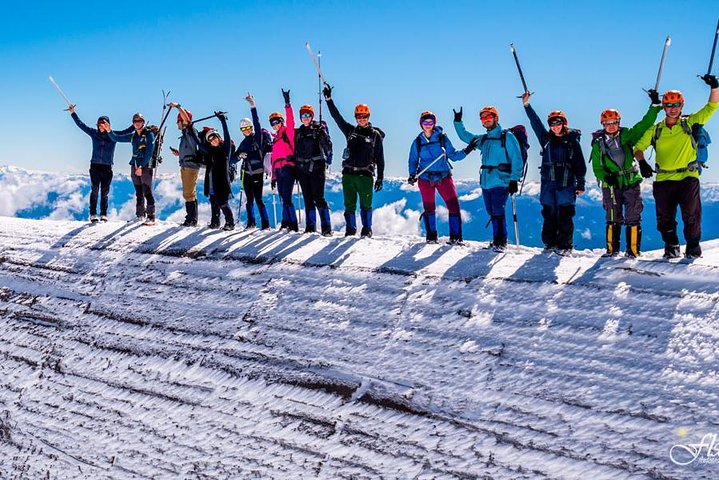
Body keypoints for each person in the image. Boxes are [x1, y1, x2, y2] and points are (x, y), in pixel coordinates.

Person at [633, 74, 719, 259]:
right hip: (663, 179)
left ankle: (693, 248)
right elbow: (638, 148)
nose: (673, 109)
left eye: (676, 105)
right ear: (664, 107)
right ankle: (671, 245)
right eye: (669, 105)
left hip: (688, 177)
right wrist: (642, 162)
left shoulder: (690, 123)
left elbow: (712, 106)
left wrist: (714, 87)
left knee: (692, 216)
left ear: (682, 105)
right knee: (664, 219)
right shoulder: (656, 129)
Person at [590, 90, 662, 257]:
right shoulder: (598, 144)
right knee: (613, 216)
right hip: (611, 184)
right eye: (607, 123)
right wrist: (604, 177)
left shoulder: (627, 135)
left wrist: (654, 107)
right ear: (603, 124)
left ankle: (633, 252)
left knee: (633, 216)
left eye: (614, 122)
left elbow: (644, 124)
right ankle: (611, 251)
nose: (611, 125)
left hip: (630, 181)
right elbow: (597, 166)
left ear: (618, 122)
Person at [522, 92, 586, 255]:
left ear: (564, 123)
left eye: (558, 123)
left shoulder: (572, 141)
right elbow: (535, 123)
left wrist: (581, 183)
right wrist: (527, 106)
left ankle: (565, 245)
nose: (555, 127)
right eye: (552, 124)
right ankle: (550, 244)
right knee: (549, 214)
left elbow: (579, 163)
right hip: (549, 183)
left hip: (566, 183)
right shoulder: (546, 139)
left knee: (565, 215)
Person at [454, 106, 523, 250]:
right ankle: (496, 240)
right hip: (486, 182)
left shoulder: (507, 137)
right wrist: (458, 122)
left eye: (488, 117)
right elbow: (465, 137)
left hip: (501, 180)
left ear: (496, 118)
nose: (486, 120)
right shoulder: (484, 139)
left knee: (497, 209)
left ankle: (501, 242)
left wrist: (514, 180)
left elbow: (517, 158)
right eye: (483, 118)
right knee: (491, 210)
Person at [323, 84, 385, 238]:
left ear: (368, 117)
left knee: (366, 205)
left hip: (365, 175)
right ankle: (350, 229)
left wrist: (380, 177)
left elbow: (380, 158)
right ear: (355, 117)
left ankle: (367, 229)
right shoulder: (350, 131)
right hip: (349, 174)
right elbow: (336, 117)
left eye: (364, 116)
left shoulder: (375, 135)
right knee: (349, 205)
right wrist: (329, 100)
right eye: (359, 116)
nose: (362, 119)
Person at [408, 111, 473, 244]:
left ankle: (455, 237)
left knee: (454, 206)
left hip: (443, 177)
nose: (428, 125)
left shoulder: (442, 138)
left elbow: (453, 156)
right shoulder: (418, 142)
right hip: (425, 179)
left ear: (434, 123)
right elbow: (413, 160)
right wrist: (411, 174)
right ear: (421, 124)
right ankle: (431, 237)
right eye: (425, 122)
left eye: (430, 122)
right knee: (429, 208)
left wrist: (467, 150)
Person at [68, 105, 133, 223]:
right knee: (95, 190)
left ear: (108, 125)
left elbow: (128, 131)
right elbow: (81, 125)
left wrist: (137, 124)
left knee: (105, 192)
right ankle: (93, 214)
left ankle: (103, 214)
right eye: (99, 124)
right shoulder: (94, 133)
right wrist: (73, 113)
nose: (101, 126)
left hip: (107, 167)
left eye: (104, 124)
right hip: (95, 166)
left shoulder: (114, 135)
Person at [108, 113, 157, 225]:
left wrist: (141, 166)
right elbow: (116, 138)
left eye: (139, 121)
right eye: (135, 121)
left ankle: (151, 216)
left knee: (147, 191)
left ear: (143, 122)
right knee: (139, 191)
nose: (137, 123)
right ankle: (140, 215)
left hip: (144, 166)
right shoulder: (133, 136)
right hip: (134, 165)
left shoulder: (149, 134)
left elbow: (149, 152)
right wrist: (109, 130)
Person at [233, 93, 272, 230]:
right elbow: (232, 159)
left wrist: (252, 106)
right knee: (249, 200)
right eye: (243, 129)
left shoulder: (259, 138)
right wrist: (239, 157)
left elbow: (257, 121)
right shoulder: (243, 143)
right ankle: (251, 223)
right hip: (247, 173)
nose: (246, 131)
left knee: (258, 199)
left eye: (248, 128)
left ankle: (265, 224)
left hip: (257, 173)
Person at [294, 103, 333, 235]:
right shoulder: (299, 132)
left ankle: (326, 227)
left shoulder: (318, 129)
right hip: (303, 170)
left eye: (307, 115)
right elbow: (296, 151)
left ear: (312, 116)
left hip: (317, 168)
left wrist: (323, 133)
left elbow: (327, 146)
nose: (305, 118)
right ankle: (310, 226)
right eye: (303, 115)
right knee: (307, 198)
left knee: (319, 198)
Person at [192, 112, 235, 230]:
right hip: (211, 181)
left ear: (218, 138)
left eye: (214, 138)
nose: (213, 141)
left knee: (223, 203)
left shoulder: (225, 150)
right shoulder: (210, 151)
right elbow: (199, 145)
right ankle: (215, 222)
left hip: (222, 182)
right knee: (213, 201)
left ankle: (230, 223)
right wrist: (191, 131)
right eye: (210, 140)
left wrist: (223, 121)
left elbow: (227, 136)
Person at [268, 89, 298, 231]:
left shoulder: (288, 133)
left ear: (281, 121)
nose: (275, 125)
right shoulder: (275, 140)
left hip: (288, 167)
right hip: (278, 170)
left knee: (287, 197)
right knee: (282, 197)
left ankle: (293, 224)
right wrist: (273, 177)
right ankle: (286, 222)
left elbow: (291, 120)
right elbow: (273, 160)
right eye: (272, 123)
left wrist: (287, 104)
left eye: (277, 122)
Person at [168, 102, 202, 227]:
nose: (177, 124)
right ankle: (191, 218)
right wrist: (179, 153)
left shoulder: (189, 131)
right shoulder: (186, 135)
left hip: (190, 166)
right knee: (189, 192)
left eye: (178, 121)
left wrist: (177, 106)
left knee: (189, 193)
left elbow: (187, 120)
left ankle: (191, 219)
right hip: (187, 164)